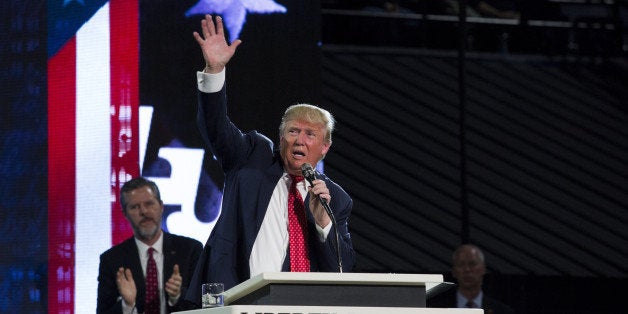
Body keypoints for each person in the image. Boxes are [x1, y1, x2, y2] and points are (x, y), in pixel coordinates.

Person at [183, 14, 356, 307]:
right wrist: (214, 70)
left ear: (325, 147)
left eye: (310, 134)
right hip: (235, 301)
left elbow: (342, 270)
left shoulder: (334, 198)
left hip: (301, 307)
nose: (300, 139)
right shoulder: (251, 156)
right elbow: (215, 128)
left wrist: (323, 222)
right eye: (293, 131)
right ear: (281, 138)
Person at [97, 177, 203, 314]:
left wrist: (177, 296)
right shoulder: (111, 260)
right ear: (124, 214)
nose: (144, 212)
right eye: (134, 207)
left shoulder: (191, 250)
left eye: (149, 204)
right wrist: (127, 305)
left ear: (161, 206)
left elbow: (207, 306)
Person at [429, 244, 514, 313]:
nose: (467, 270)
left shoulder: (502, 311)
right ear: (454, 271)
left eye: (472, 264)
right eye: (461, 265)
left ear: (483, 269)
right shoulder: (438, 310)